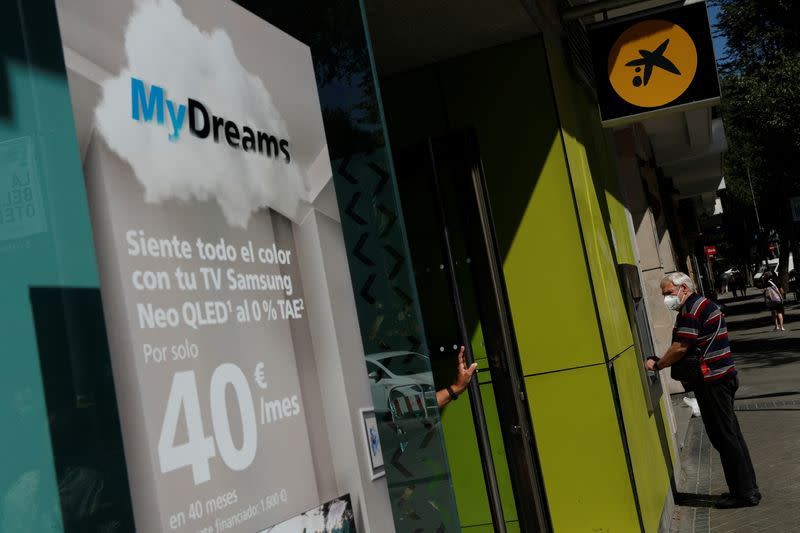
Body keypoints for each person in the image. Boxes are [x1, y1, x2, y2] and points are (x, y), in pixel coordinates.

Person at [646, 272, 760, 508]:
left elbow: (680, 347)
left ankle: (744, 494)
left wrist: (657, 364)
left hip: (713, 381)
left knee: (724, 437)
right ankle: (747, 489)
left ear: (684, 289)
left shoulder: (692, 310)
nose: (667, 299)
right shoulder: (702, 305)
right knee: (731, 435)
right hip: (722, 378)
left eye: (668, 293)